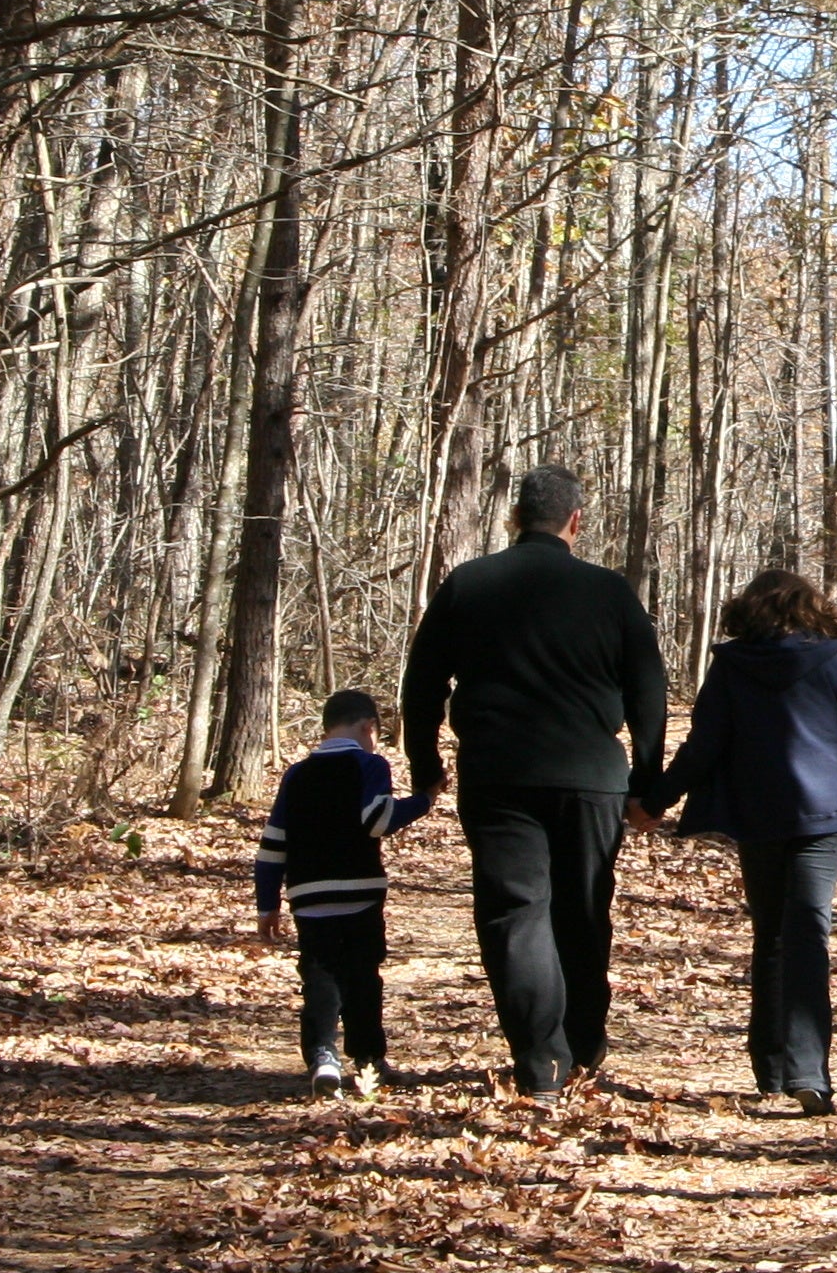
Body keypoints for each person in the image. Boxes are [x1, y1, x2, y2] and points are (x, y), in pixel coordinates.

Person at [401, 465, 667, 1101]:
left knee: (514, 914)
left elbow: (423, 683)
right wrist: (647, 781)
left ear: (513, 519)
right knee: (583, 910)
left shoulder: (469, 584)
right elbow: (648, 689)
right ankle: (583, 1042)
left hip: (499, 774)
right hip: (591, 778)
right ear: (576, 522)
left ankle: (542, 1060)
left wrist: (424, 762)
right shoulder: (609, 592)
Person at [635, 568, 837, 1118]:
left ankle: (773, 1067)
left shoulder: (731, 667)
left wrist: (656, 801)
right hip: (824, 815)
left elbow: (704, 746)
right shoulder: (833, 661)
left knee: (772, 931)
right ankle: (805, 1071)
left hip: (759, 812)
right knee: (807, 932)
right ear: (808, 608)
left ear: (750, 610)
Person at [256, 688, 432, 1100]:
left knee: (318, 975)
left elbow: (272, 845)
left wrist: (268, 903)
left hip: (308, 894)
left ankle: (322, 1056)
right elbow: (378, 819)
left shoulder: (296, 775)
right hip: (360, 891)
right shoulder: (369, 764)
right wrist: (424, 801)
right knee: (362, 975)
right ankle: (369, 1060)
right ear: (368, 727)